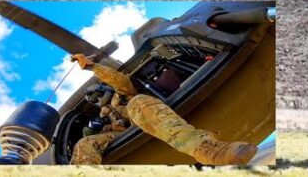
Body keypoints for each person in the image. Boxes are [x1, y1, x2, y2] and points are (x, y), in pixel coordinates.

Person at [68, 54, 257, 166]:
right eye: (92, 99)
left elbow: (119, 79)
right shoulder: (102, 115)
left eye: (96, 94)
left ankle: (206, 148)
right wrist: (93, 129)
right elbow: (96, 136)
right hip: (118, 136)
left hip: (142, 118)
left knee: (138, 101)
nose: (96, 100)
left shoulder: (122, 95)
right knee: (85, 143)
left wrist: (93, 67)